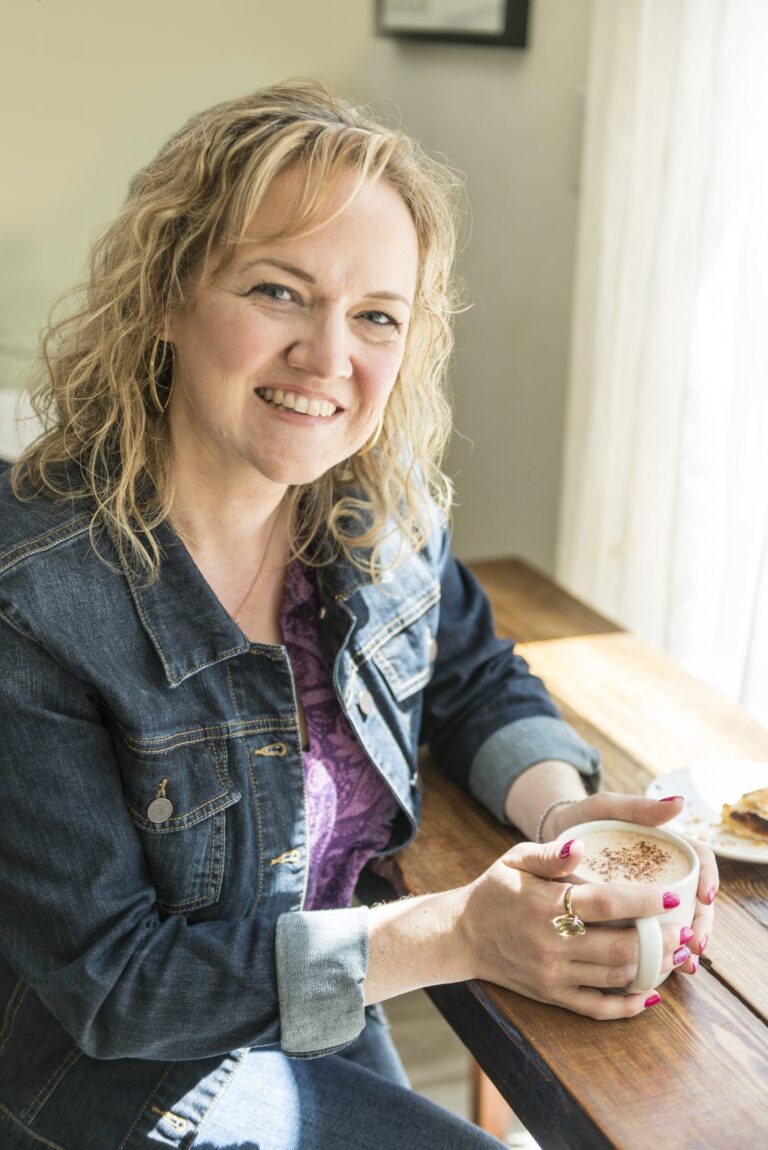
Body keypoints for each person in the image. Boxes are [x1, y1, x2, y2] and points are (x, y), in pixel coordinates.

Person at [0, 80, 716, 1150]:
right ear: (167, 295)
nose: (330, 358)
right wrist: (461, 930)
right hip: (89, 1066)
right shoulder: (36, 593)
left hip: (312, 1014)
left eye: (376, 315)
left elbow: (471, 674)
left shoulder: (373, 515)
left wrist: (565, 820)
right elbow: (117, 988)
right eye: (280, 291)